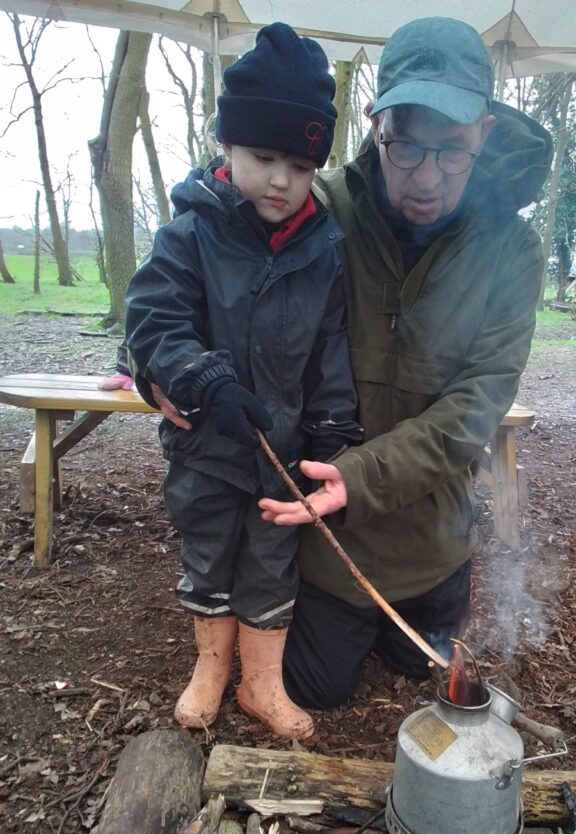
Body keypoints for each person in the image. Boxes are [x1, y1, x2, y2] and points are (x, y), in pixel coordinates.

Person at [254, 17, 553, 708]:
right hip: (328, 548)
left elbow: (475, 407)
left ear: (483, 132)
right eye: (406, 146)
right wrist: (151, 351)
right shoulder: (319, 209)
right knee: (316, 690)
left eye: (452, 152)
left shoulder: (513, 251)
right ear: (375, 121)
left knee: (420, 672)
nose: (426, 178)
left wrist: (364, 475)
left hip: (431, 546)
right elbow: (204, 260)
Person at [125, 23, 362, 739]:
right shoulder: (189, 234)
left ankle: (261, 682)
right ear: (227, 145)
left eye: (300, 162)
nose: (283, 180)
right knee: (207, 555)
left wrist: (335, 438)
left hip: (282, 454)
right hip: (205, 446)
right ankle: (211, 669)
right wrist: (202, 379)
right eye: (263, 158)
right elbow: (155, 320)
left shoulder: (323, 250)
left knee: (269, 562)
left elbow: (332, 351)